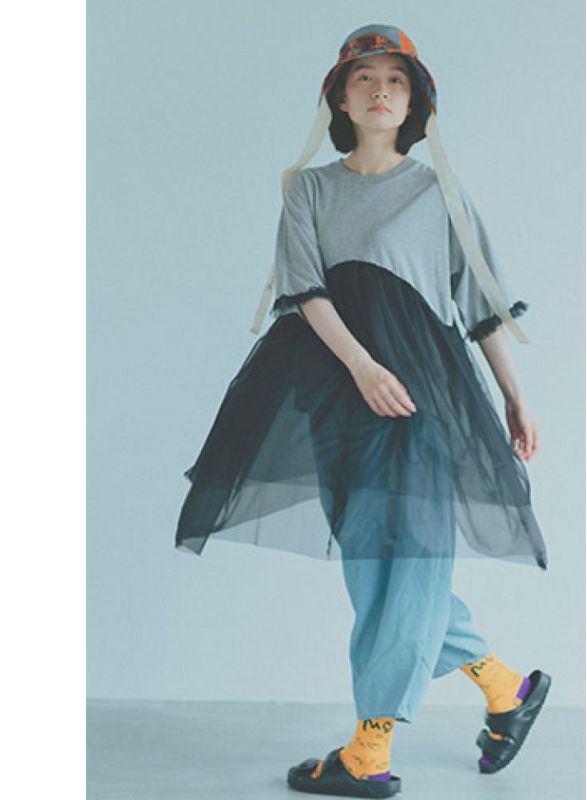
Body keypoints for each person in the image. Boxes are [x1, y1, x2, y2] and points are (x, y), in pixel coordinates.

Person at [175, 23, 551, 798]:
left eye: (396, 80)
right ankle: (504, 688)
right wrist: (362, 367)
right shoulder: (307, 189)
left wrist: (516, 397)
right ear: (340, 100)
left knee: (411, 557)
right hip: (337, 389)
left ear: (415, 103)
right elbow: (304, 289)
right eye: (364, 79)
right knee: (375, 562)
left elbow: (480, 305)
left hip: (422, 394)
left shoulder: (439, 193)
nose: (381, 90)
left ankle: (370, 749)